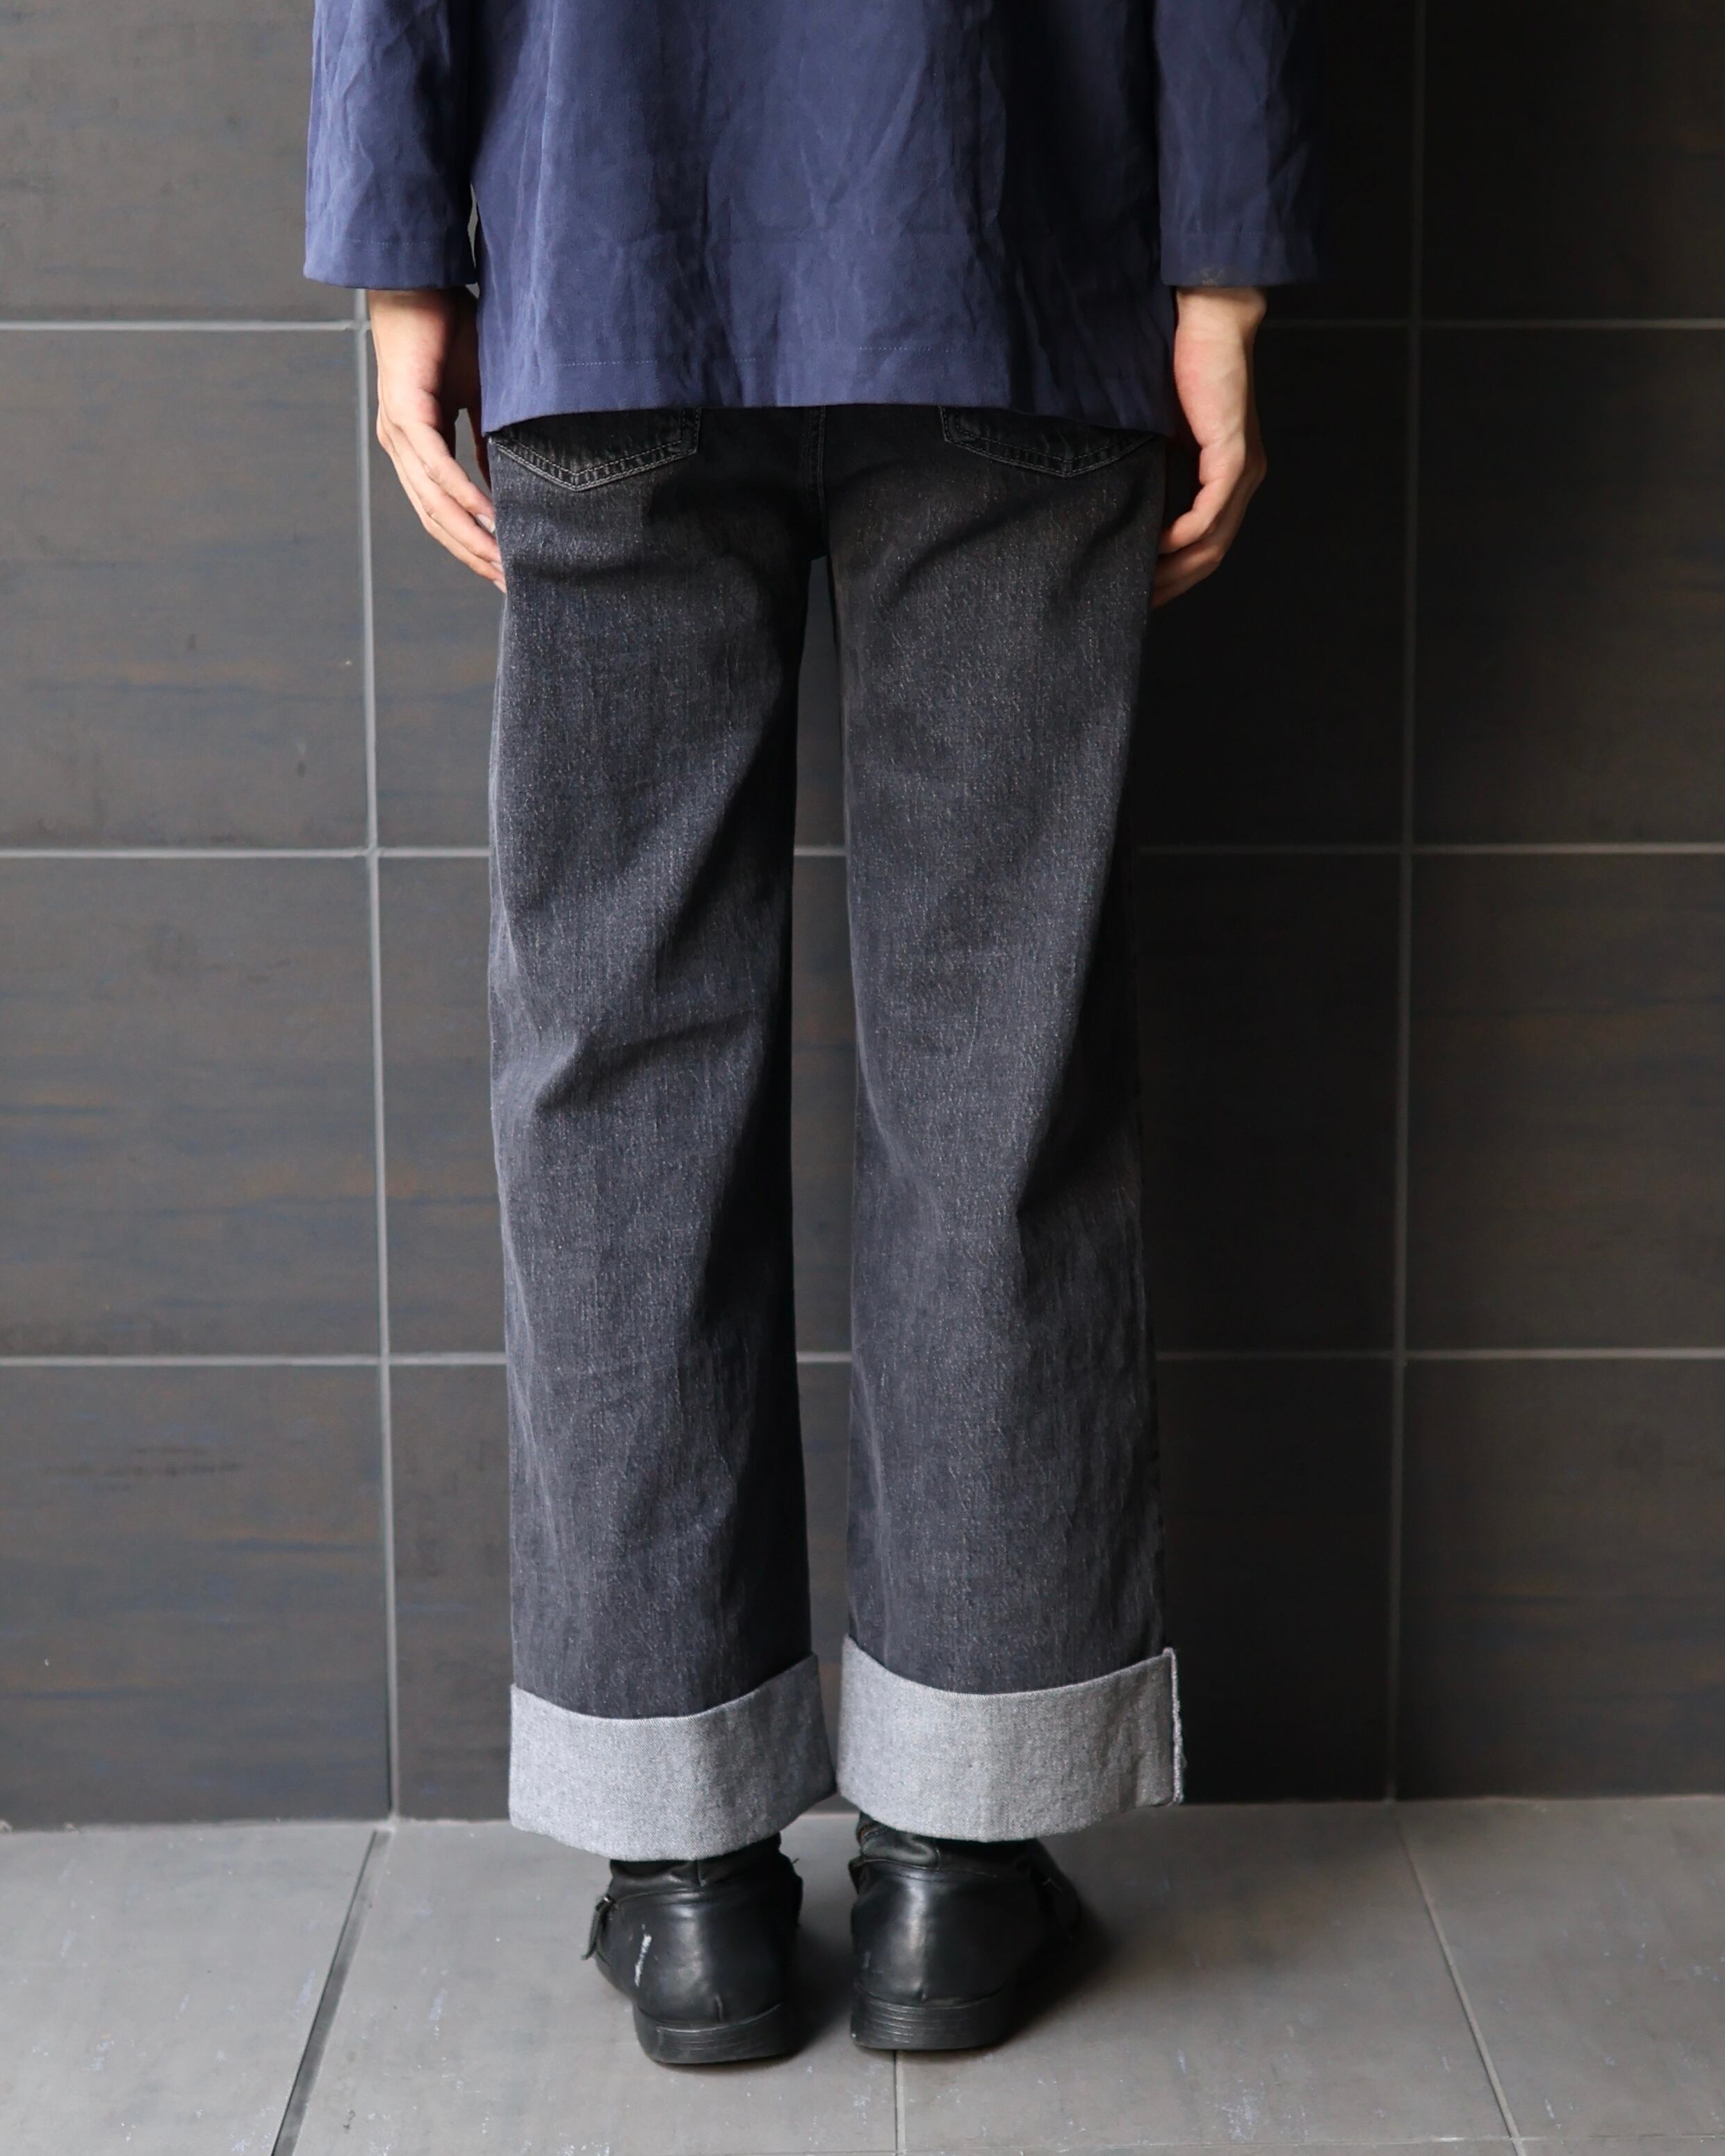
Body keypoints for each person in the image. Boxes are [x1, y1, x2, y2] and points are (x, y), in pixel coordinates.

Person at [306, 0, 1320, 2068]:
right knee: (998, 1065)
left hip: (606, 235)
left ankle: (688, 1882)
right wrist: (1222, 266)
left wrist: (401, 256)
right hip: (1020, 237)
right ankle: (959, 1867)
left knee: (616, 1065)